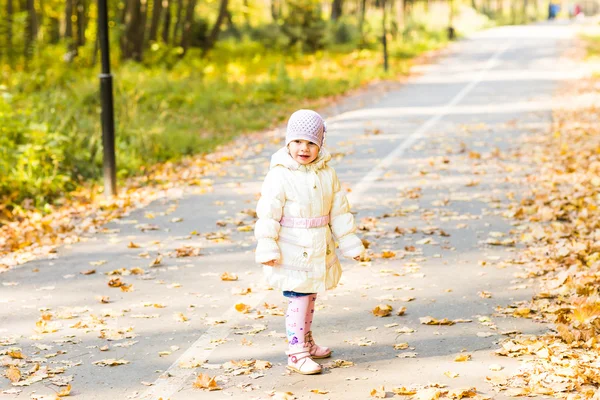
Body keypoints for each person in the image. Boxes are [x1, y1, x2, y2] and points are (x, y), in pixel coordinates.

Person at [254, 109, 365, 375]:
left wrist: (350, 243)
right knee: (299, 298)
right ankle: (296, 352)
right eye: (298, 141)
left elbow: (339, 212)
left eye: (311, 143)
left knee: (310, 295)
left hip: (317, 245)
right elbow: (267, 215)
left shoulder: (328, 174)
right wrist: (268, 245)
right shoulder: (279, 175)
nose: (304, 148)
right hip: (291, 248)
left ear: (320, 145)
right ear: (288, 142)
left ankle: (306, 340)